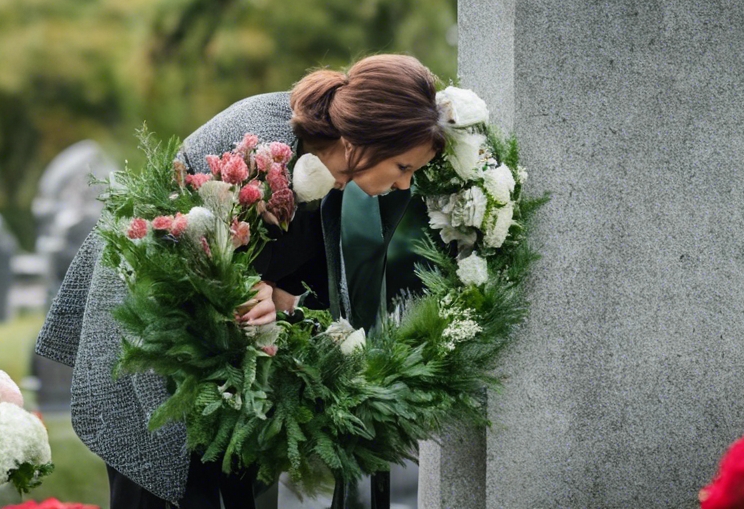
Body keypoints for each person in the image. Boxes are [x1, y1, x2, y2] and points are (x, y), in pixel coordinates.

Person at [34, 54, 447, 508]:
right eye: (404, 167)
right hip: (151, 339)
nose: (405, 184)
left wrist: (278, 299)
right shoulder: (263, 144)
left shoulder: (331, 171)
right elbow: (189, 242)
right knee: (166, 488)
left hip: (231, 367)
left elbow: (295, 280)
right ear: (367, 139)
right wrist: (243, 289)